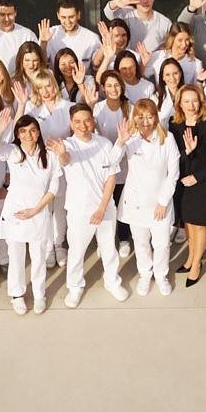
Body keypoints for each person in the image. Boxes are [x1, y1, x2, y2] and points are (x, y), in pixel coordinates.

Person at [57, 102, 129, 305]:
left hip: (105, 208)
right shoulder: (67, 146)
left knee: (108, 248)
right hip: (79, 211)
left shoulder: (105, 144)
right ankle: (75, 287)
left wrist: (102, 208)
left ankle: (112, 282)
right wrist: (61, 153)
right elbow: (65, 160)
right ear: (71, 123)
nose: (83, 125)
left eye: (86, 120)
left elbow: (111, 178)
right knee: (77, 251)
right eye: (77, 122)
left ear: (93, 121)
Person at [0, 115, 60, 315]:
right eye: (23, 131)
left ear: (38, 131)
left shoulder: (49, 155)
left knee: (39, 256)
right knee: (16, 256)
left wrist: (35, 210)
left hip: (38, 213)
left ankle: (39, 294)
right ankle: (17, 294)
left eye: (32, 130)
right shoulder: (13, 152)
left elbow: (54, 188)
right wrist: (0, 129)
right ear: (17, 134)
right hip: (15, 214)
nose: (28, 135)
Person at [120, 98, 179, 295]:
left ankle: (161, 276)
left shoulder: (167, 139)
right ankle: (145, 274)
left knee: (161, 244)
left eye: (150, 116)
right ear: (134, 118)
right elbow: (111, 162)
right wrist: (121, 141)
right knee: (141, 242)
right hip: (136, 203)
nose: (145, 121)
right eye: (141, 117)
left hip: (160, 204)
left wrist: (163, 202)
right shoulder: (130, 139)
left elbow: (173, 173)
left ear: (156, 118)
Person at [171, 84, 206, 285]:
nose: (191, 105)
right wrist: (188, 152)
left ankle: (197, 263)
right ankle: (190, 257)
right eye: (186, 101)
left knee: (198, 225)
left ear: (201, 101)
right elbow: (173, 158)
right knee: (188, 223)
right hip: (182, 183)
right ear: (179, 104)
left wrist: (197, 177)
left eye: (194, 100)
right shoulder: (174, 125)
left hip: (202, 183)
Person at [106, 0, 173, 61]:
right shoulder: (126, 15)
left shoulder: (165, 23)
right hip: (128, 65)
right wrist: (115, 3)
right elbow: (108, 12)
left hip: (153, 68)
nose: (145, 1)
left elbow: (171, 46)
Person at [41, 0, 103, 74]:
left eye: (71, 17)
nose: (67, 21)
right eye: (63, 17)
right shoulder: (50, 33)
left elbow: (96, 64)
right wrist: (43, 43)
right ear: (58, 16)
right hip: (56, 83)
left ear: (78, 15)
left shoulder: (92, 38)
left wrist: (104, 48)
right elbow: (42, 62)